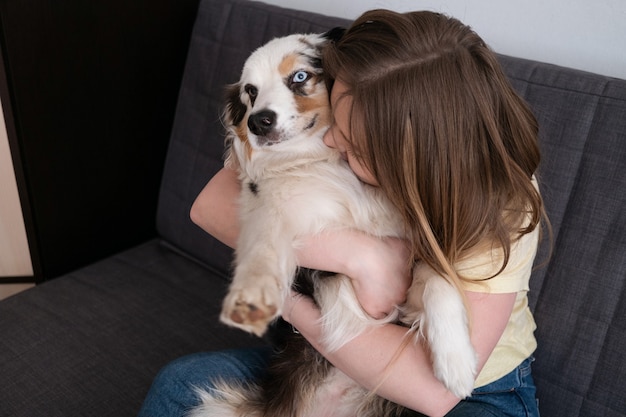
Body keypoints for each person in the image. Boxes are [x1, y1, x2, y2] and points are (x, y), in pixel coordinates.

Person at [138, 9, 547, 417]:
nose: (331, 141)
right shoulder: (338, 108)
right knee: (180, 387)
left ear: (410, 155)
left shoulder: (503, 195)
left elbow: (434, 394)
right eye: (338, 123)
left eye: (353, 146)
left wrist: (289, 302)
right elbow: (208, 207)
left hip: (473, 388)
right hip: (329, 355)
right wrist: (360, 255)